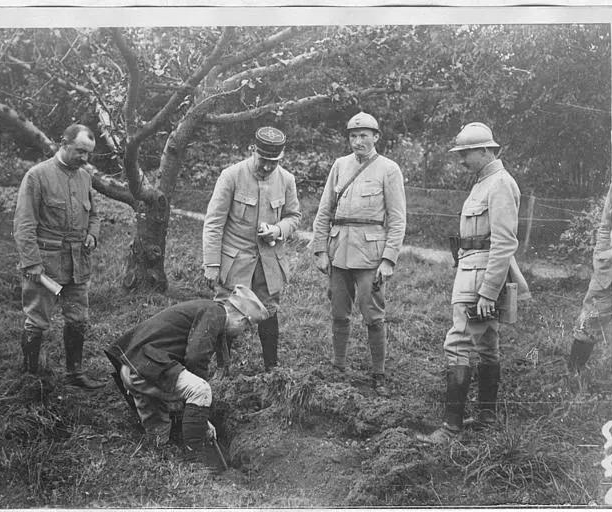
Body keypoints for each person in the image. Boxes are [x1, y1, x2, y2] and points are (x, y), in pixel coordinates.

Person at [417, 122, 530, 445]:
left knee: (459, 343)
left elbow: (504, 243)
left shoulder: (500, 184)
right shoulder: (485, 181)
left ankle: (451, 428)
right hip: (472, 270)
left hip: (480, 277)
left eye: (466, 153)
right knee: (486, 344)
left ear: (485, 150)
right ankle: (485, 417)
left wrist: (487, 291)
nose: (462, 159)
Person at [104, 285, 270, 459]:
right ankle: (195, 457)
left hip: (132, 367)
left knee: (159, 429)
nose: (242, 332)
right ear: (242, 319)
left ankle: (159, 452)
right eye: (246, 327)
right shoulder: (216, 314)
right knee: (201, 390)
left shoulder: (209, 309)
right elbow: (196, 358)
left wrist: (201, 418)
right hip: (148, 368)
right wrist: (201, 413)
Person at [310, 112, 406, 394]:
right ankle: (339, 365)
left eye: (364, 135)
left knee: (373, 315)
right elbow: (324, 210)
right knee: (338, 312)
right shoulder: (340, 165)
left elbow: (398, 218)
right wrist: (319, 249)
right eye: (353, 136)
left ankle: (379, 374)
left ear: (376, 137)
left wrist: (388, 259)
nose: (357, 141)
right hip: (339, 252)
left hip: (370, 256)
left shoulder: (389, 169)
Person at [202, 127, 301, 372]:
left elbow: (294, 216)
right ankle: (223, 370)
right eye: (263, 160)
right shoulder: (231, 176)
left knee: (269, 312)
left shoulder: (286, 179)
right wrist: (212, 265)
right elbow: (214, 223)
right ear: (252, 150)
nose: (267, 167)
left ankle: (272, 369)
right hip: (236, 262)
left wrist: (278, 230)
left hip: (268, 263)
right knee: (228, 315)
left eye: (273, 162)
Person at [13, 123, 104, 390]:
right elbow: (24, 224)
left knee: (78, 319)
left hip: (78, 263)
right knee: (38, 320)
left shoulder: (85, 177)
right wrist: (31, 262)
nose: (85, 158)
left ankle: (74, 373)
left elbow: (95, 215)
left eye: (88, 153)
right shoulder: (37, 176)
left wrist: (92, 235)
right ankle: (31, 376)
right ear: (63, 144)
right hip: (45, 264)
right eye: (79, 151)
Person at [568, 185, 612, 372]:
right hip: (611, 265)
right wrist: (601, 255)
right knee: (592, 314)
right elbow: (606, 225)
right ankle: (575, 372)